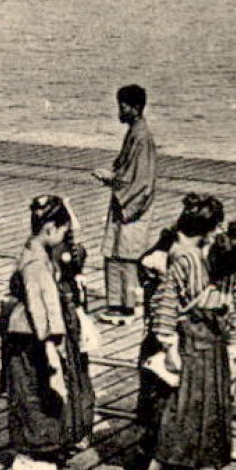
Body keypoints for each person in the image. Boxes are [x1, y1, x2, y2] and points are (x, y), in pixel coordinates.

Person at [135, 193, 235, 470]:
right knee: (184, 411)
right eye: (216, 227)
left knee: (206, 408)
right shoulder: (182, 256)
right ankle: (160, 469)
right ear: (207, 228)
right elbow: (166, 304)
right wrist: (168, 347)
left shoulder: (196, 252)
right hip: (188, 342)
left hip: (208, 341)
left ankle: (197, 469)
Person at [0, 195, 97, 470]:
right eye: (63, 231)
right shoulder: (36, 264)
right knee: (35, 391)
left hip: (33, 334)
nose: (66, 236)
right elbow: (41, 307)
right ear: (51, 229)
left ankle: (47, 443)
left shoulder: (36, 253)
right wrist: (52, 344)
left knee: (41, 390)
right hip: (32, 336)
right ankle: (29, 452)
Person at [92, 84, 158, 323]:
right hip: (127, 202)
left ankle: (125, 306)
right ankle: (118, 303)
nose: (120, 110)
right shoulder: (136, 132)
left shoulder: (141, 136)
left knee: (127, 255)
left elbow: (140, 180)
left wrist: (111, 179)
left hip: (132, 205)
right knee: (115, 252)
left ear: (136, 108)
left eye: (124, 105)